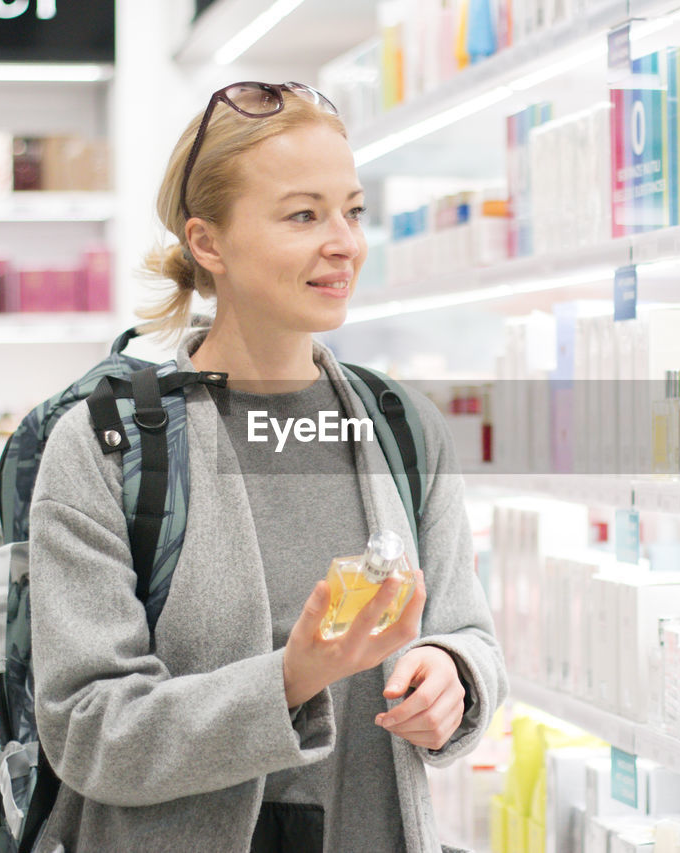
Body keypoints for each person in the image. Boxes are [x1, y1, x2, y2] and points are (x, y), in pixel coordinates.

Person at [27, 81, 507, 853]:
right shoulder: (106, 446)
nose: (345, 241)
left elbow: (468, 633)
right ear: (208, 242)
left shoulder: (402, 429)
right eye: (303, 214)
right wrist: (290, 678)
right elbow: (87, 729)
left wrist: (453, 675)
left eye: (352, 210)